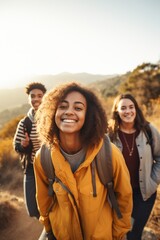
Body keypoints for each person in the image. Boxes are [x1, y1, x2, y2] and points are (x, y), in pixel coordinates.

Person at [34, 82, 132, 240]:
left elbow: (124, 198)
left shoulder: (109, 153)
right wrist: (49, 229)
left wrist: (117, 234)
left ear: (89, 115)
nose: (69, 112)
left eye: (78, 108)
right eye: (63, 106)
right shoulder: (43, 157)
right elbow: (43, 199)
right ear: (52, 112)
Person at [108, 93, 160, 240]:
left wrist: (153, 180)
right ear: (116, 111)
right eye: (123, 108)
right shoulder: (109, 134)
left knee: (133, 234)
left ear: (136, 109)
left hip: (143, 196)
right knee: (116, 233)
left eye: (131, 107)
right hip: (117, 196)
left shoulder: (148, 130)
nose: (128, 111)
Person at [13, 82, 47, 239]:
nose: (36, 99)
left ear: (45, 97)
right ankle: (48, 226)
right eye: (33, 96)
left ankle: (51, 230)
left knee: (53, 204)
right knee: (32, 209)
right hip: (32, 169)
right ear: (29, 98)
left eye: (40, 96)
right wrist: (24, 145)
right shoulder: (25, 122)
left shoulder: (52, 118)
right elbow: (16, 145)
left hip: (51, 169)